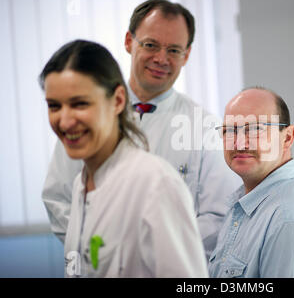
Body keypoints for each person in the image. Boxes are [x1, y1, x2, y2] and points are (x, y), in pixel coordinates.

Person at [42, 0, 240, 259]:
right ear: (128, 41)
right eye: (150, 45)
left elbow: (218, 216)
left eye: (174, 50)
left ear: (187, 55)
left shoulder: (205, 128)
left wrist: (151, 253)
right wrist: (105, 249)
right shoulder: (86, 115)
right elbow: (59, 198)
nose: (161, 58)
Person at [39, 40, 208, 277]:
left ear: (118, 101)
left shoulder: (154, 184)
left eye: (80, 104)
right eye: (54, 106)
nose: (65, 121)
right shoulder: (81, 185)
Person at [208, 87, 294, 277]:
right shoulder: (245, 204)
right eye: (229, 130)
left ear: (287, 137)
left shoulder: (289, 220)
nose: (239, 143)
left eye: (255, 130)